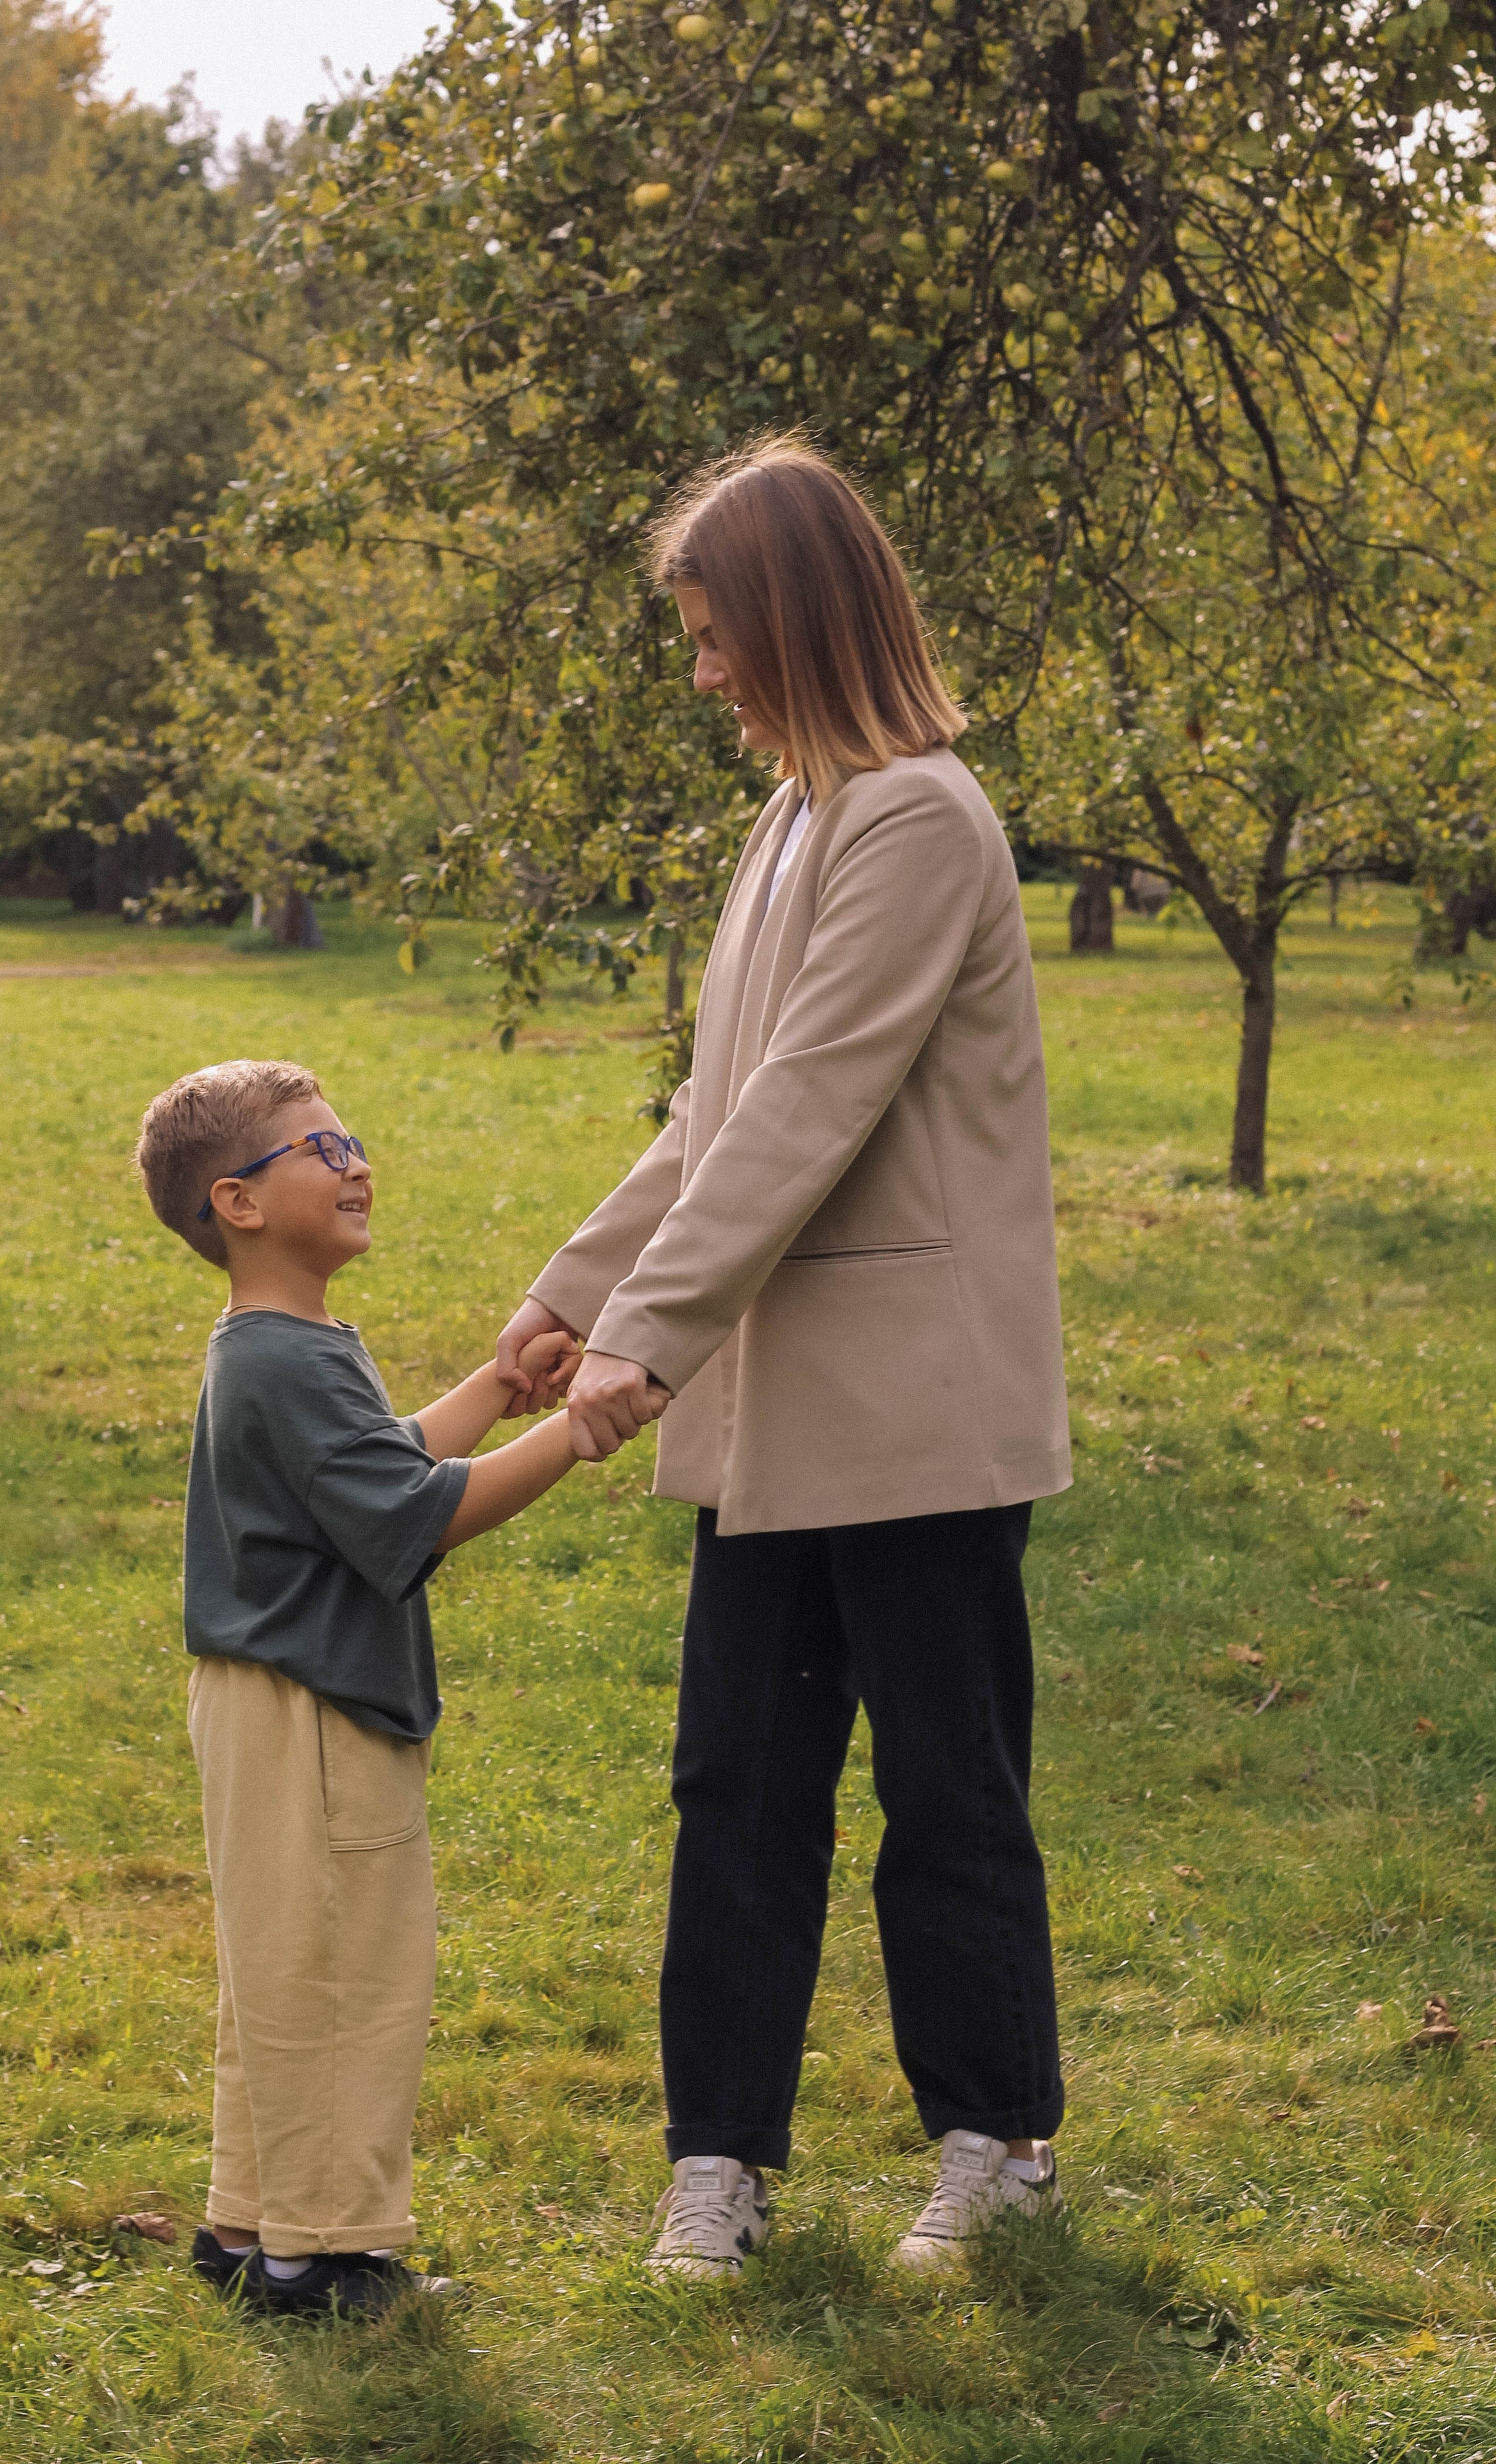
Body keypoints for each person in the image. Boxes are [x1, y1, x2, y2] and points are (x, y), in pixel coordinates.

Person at [496, 440, 1071, 2279]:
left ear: (799, 614)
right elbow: (715, 1113)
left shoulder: (918, 817)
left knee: (944, 1787)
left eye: (716, 629)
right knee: (735, 1784)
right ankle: (720, 2161)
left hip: (913, 1412)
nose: (703, 667)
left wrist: (648, 1342)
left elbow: (816, 1107)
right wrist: (578, 1288)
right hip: (772, 1418)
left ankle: (995, 2143)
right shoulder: (790, 823)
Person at [134, 1057, 580, 2318]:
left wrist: (501, 1391)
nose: (355, 1164)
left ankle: (247, 2225)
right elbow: (418, 1518)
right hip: (312, 1710)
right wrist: (588, 1424)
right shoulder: (284, 1357)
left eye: (353, 1140)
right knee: (345, 1978)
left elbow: (375, 1467)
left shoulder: (283, 1345)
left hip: (268, 1699)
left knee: (281, 1971)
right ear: (237, 1202)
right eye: (319, 1151)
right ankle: (325, 2260)